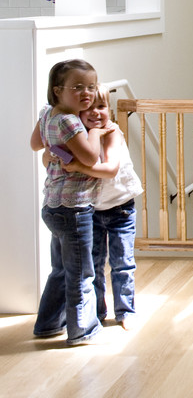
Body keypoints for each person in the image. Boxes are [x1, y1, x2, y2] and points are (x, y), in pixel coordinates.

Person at [30, 58, 115, 346]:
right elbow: (91, 158)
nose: (87, 93)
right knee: (81, 272)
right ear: (57, 90)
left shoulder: (48, 114)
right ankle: (82, 330)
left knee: (61, 269)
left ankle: (48, 324)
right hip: (74, 209)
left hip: (53, 206)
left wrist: (53, 150)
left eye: (91, 86)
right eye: (77, 87)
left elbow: (35, 144)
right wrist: (96, 132)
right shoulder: (69, 121)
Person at [76, 87, 142, 329]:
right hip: (91, 210)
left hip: (120, 208)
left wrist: (75, 166)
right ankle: (97, 312)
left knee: (122, 262)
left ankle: (125, 311)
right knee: (92, 265)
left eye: (101, 107)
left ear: (110, 110)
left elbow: (109, 167)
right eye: (88, 108)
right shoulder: (79, 137)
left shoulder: (112, 131)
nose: (95, 113)